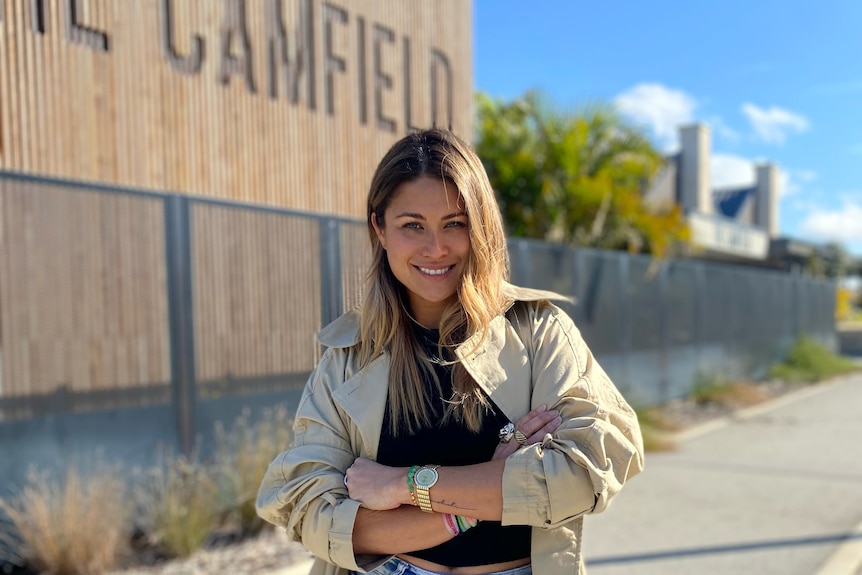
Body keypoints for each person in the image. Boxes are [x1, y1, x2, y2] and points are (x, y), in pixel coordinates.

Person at [256, 128, 644, 575]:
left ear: (479, 227)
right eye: (412, 226)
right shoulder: (348, 354)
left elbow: (593, 465)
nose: (435, 248)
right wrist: (466, 505)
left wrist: (403, 485)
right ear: (379, 229)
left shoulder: (537, 332)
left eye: (454, 224)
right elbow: (311, 511)